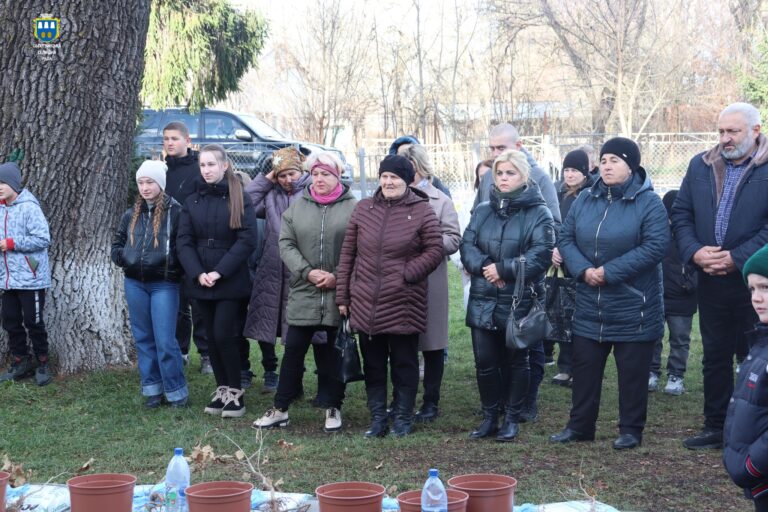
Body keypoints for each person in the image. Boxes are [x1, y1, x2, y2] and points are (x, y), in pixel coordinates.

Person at [550, 137, 669, 450]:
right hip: (590, 301)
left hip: (634, 303)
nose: (607, 166)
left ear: (631, 165)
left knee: (632, 373)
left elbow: (655, 246)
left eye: (615, 160)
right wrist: (583, 270)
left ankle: (630, 429)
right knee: (585, 368)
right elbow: (566, 237)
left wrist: (610, 272)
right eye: (603, 160)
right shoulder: (586, 199)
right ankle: (579, 426)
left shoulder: (648, 202)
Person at [672, 102, 768, 450]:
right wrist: (695, 252)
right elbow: (681, 213)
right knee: (714, 355)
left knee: (758, 355)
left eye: (733, 131)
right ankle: (716, 427)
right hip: (710, 278)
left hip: (756, 281)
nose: (725, 139)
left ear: (755, 131)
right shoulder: (701, 164)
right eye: (721, 131)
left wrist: (737, 258)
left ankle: (756, 431)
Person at [336, 155, 443, 438]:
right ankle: (378, 419)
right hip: (366, 302)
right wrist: (343, 296)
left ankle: (403, 418)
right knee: (373, 365)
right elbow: (348, 254)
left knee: (404, 364)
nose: (388, 182)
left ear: (407, 180)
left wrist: (408, 274)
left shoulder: (422, 210)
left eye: (394, 177)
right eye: (384, 176)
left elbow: (435, 249)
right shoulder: (363, 209)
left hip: (404, 302)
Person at [253, 152, 357, 432]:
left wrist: (337, 277)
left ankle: (333, 407)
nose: (320, 179)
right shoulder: (297, 208)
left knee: (333, 354)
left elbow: (361, 248)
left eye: (326, 174)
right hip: (303, 291)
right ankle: (280, 408)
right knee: (293, 352)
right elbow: (285, 244)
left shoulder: (354, 207)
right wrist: (307, 272)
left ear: (337, 176)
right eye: (317, 173)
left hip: (338, 294)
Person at [460, 149, 555, 442]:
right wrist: (486, 267)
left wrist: (504, 269)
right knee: (485, 363)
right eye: (499, 173)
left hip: (520, 300)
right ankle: (490, 416)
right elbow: (467, 245)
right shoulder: (483, 210)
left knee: (518, 360)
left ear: (523, 176)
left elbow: (541, 256)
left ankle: (512, 418)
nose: (503, 178)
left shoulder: (539, 212)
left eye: (510, 173)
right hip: (484, 298)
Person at [474, 122, 561, 423]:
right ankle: (498, 406)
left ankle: (525, 402)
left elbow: (552, 228)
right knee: (491, 353)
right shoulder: (489, 179)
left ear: (519, 145)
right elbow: (476, 225)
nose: (496, 154)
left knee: (527, 346)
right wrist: (488, 267)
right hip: (489, 283)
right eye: (493, 148)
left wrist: (507, 269)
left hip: (523, 284)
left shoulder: (539, 179)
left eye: (502, 147)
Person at [177, 144, 257, 418]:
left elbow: (247, 239)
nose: (207, 170)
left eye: (212, 164)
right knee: (210, 337)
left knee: (225, 334)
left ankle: (235, 391)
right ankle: (221, 388)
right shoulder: (193, 199)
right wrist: (198, 272)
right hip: (200, 278)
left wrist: (219, 272)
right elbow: (184, 240)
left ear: (224, 166)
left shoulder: (240, 197)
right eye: (203, 165)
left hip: (229, 279)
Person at [111, 161, 188, 407]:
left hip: (164, 284)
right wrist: (124, 257)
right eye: (141, 182)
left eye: (150, 182)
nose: (145, 187)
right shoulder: (130, 214)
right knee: (143, 338)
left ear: (160, 184)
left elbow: (182, 245)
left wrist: (173, 267)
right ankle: (152, 389)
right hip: (135, 283)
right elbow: (117, 243)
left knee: (165, 339)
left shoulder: (176, 212)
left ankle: (176, 390)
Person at [243, 147, 315, 396]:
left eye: (292, 173)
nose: (287, 180)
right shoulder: (270, 195)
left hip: (300, 270)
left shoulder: (312, 192)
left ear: (301, 171)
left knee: (299, 329)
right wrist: (267, 179)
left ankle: (297, 379)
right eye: (282, 175)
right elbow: (245, 205)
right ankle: (272, 372)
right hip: (272, 269)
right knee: (268, 323)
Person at [399, 144, 462, 422]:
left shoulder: (440, 200)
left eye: (409, 168)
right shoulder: (392, 197)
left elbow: (453, 237)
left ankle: (430, 402)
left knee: (433, 343)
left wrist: (429, 245)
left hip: (430, 280)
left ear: (420, 168)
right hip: (397, 280)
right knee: (402, 343)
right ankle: (403, 399)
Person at [162, 121, 211, 374]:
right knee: (178, 303)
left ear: (187, 141)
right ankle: (181, 351)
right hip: (168, 245)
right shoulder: (162, 170)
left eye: (174, 138)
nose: (170, 143)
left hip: (194, 243)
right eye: (166, 139)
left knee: (199, 302)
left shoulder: (198, 169)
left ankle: (206, 354)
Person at [723, 243, 768, 512]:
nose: (756, 298)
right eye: (752, 289)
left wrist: (752, 464)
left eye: (766, 288)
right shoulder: (761, 343)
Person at [0, 162, 53, 386]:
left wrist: (11, 243)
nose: (0, 187)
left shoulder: (29, 207)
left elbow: (43, 239)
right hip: (7, 279)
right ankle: (21, 360)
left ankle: (42, 362)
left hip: (30, 279)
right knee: (10, 322)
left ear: (14, 183)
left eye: (3, 182)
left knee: (34, 322)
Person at [549, 149, 593, 387]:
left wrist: (568, 251)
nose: (570, 174)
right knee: (561, 314)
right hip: (558, 263)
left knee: (579, 317)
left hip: (581, 262)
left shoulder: (590, 194)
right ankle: (565, 366)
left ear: (585, 172)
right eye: (566, 170)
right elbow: (553, 224)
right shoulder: (557, 192)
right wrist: (554, 249)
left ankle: (580, 367)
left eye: (575, 170)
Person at [648, 190, 697, 395]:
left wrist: (691, 283)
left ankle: (676, 376)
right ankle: (651, 372)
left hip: (682, 297)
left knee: (679, 339)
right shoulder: (655, 234)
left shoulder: (692, 236)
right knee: (653, 337)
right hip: (657, 295)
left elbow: (698, 264)